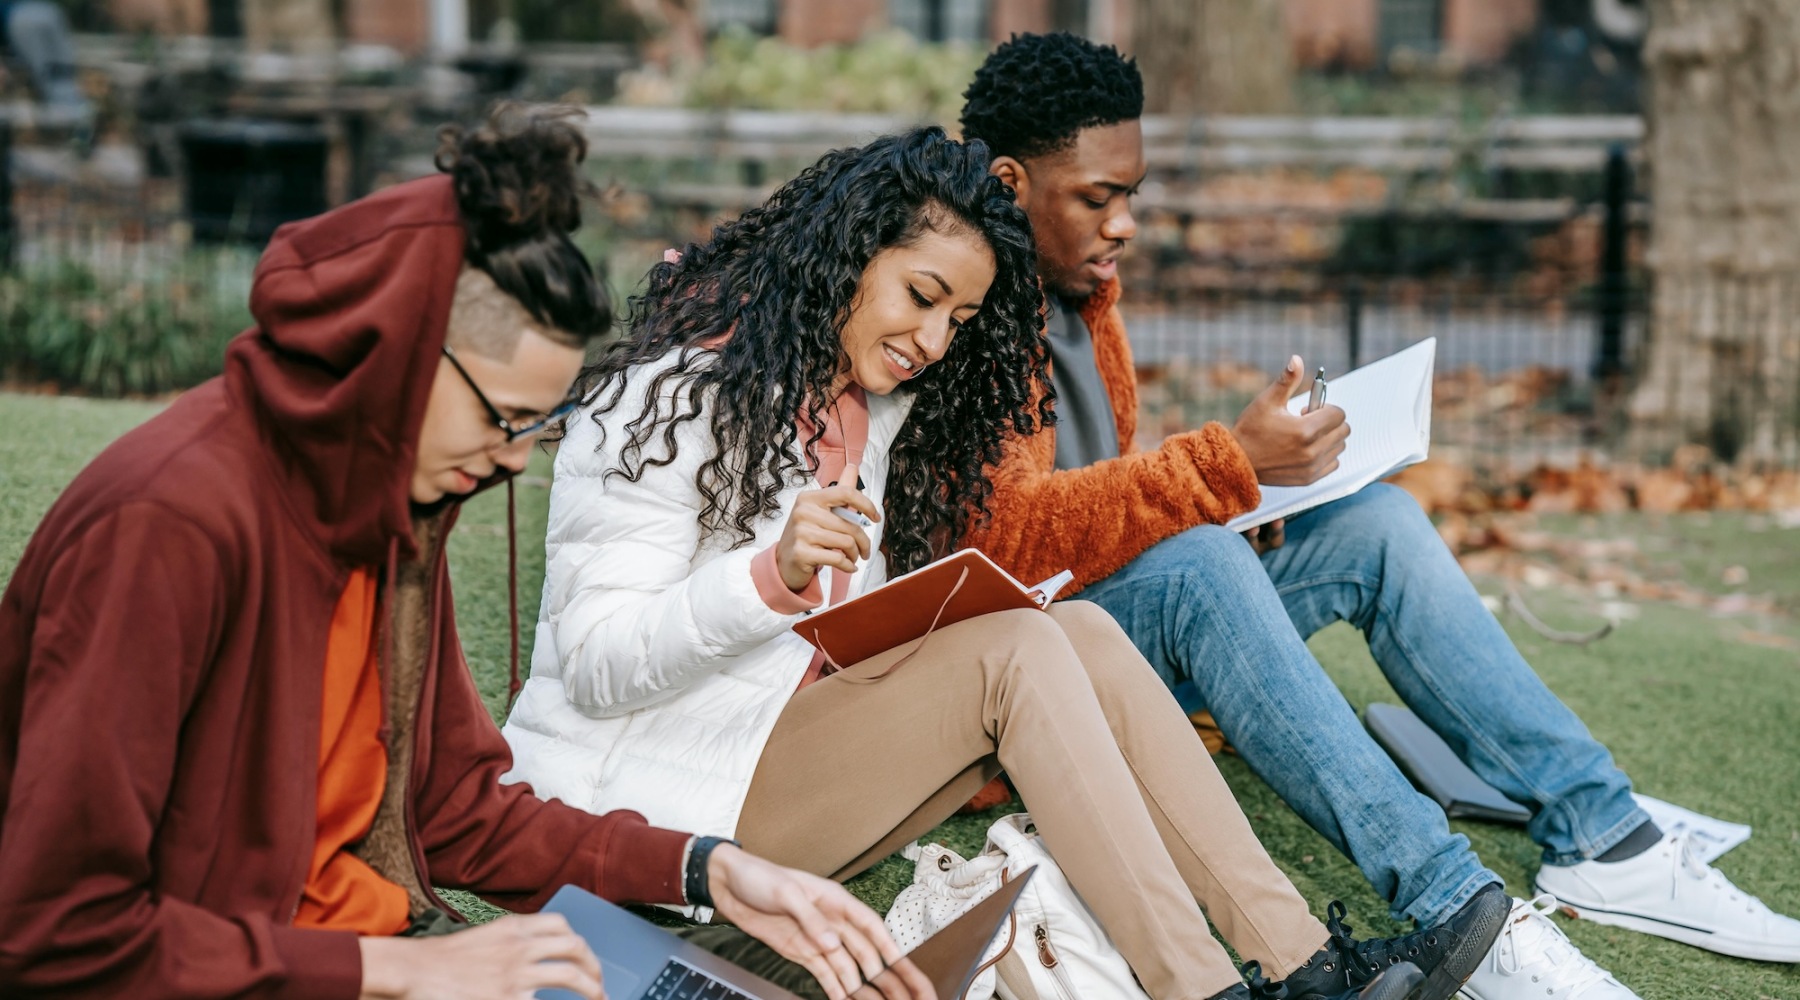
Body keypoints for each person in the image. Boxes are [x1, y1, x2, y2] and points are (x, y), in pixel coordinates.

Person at [501, 125, 1461, 1000]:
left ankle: (1303, 967)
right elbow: (594, 664)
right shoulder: (667, 397)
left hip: (761, 753)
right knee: (1016, 653)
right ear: (845, 256)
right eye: (921, 297)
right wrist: (770, 577)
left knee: (1076, 630)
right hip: (647, 816)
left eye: (958, 319)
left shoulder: (866, 407)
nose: (932, 341)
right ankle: (1204, 991)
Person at [0, 105, 928, 1000]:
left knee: (788, 979)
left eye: (538, 424)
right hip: (275, 969)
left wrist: (706, 869)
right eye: (504, 418)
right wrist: (397, 974)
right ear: (397, 354)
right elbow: (55, 926)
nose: (517, 457)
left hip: (372, 949)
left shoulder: (391, 514)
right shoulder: (166, 525)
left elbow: (453, 812)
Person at [954, 31, 1800, 1000]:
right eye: (1099, 197)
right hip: (1030, 672)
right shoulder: (961, 307)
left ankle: (1603, 836)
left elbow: (1096, 489)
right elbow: (1002, 541)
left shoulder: (1084, 292)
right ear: (1012, 183)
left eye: (1134, 194)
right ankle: (1459, 913)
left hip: (1118, 614)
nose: (1127, 224)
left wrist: (1247, 496)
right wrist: (1222, 469)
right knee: (1199, 566)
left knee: (1378, 527)